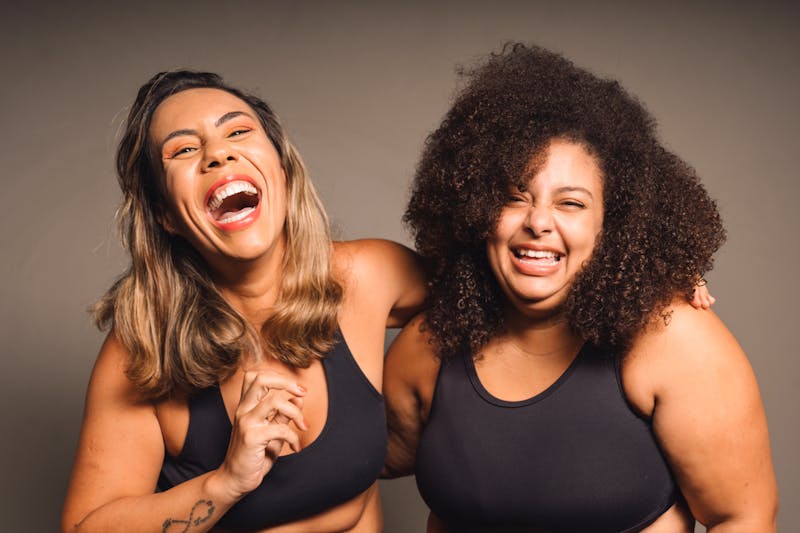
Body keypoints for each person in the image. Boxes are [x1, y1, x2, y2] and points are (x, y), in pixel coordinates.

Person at [383, 44, 778, 531]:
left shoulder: (673, 341)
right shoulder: (429, 346)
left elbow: (744, 517)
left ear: (614, 225)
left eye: (570, 203)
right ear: (477, 211)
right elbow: (355, 462)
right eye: (513, 197)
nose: (539, 223)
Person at [61, 71, 427, 532]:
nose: (218, 153)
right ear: (165, 215)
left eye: (237, 131)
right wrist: (226, 482)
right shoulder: (144, 347)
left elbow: (493, 300)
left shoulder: (367, 277)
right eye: (185, 150)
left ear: (284, 171)